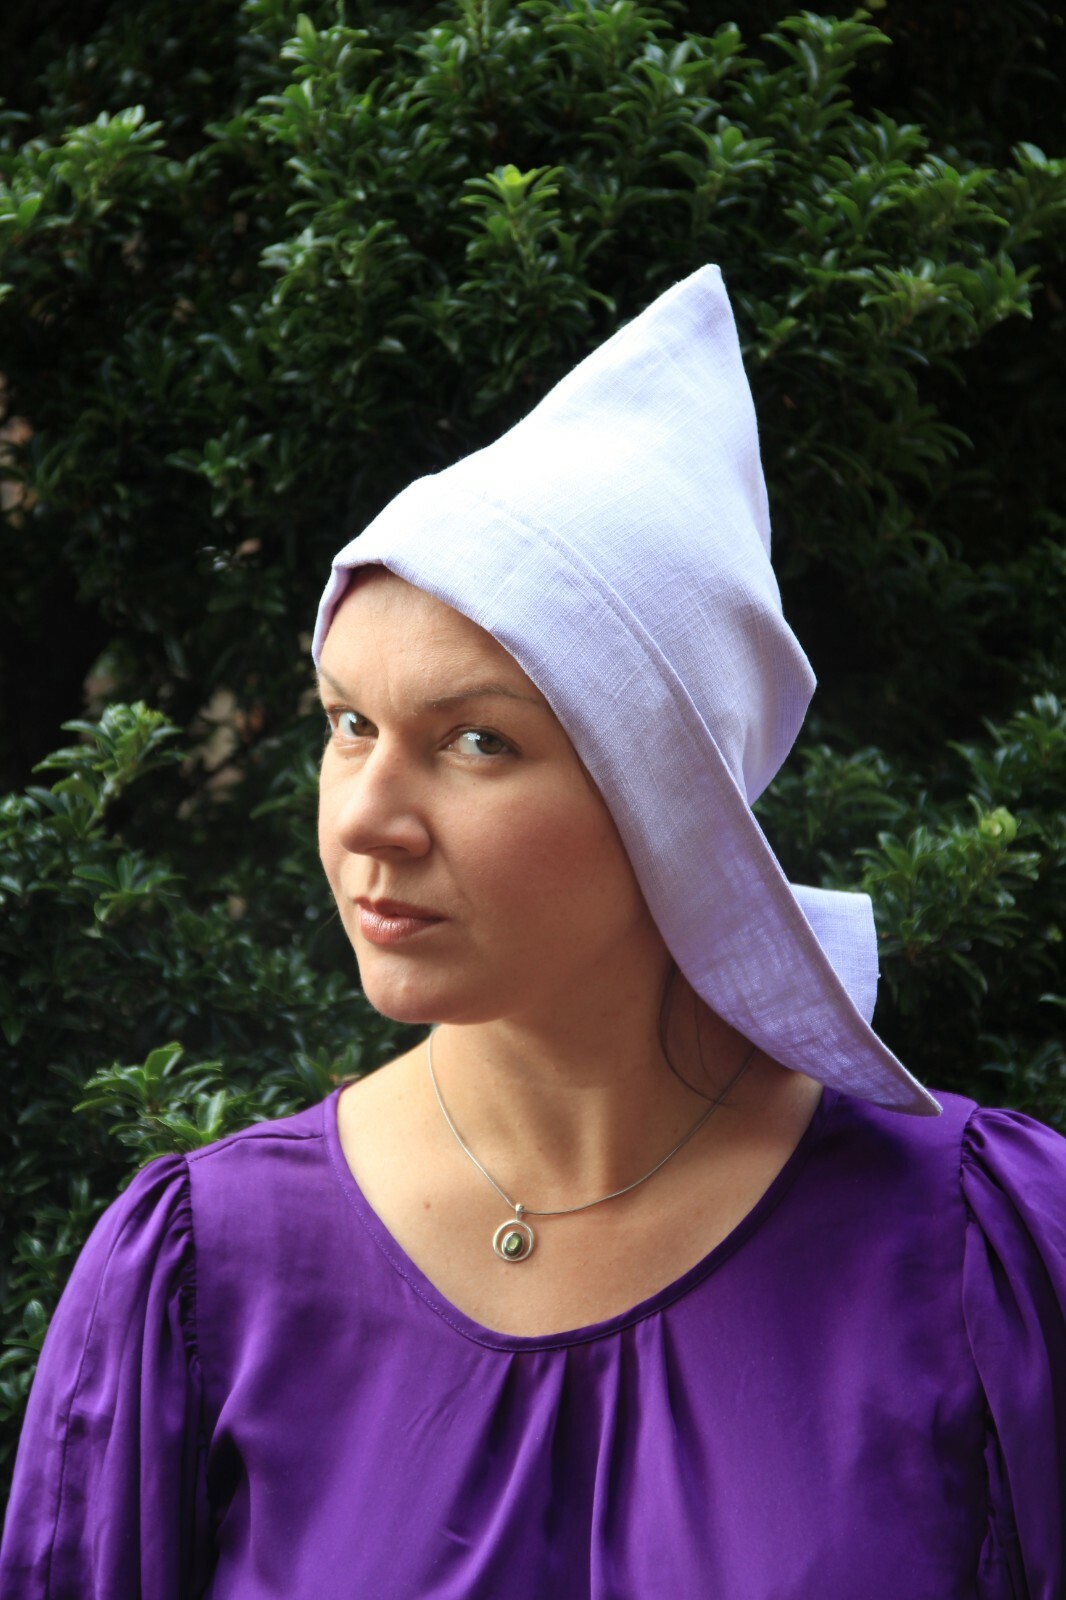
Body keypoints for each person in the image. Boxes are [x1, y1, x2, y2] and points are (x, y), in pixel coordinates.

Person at [2, 266, 1065, 1599]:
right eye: (349, 724)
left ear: (667, 802)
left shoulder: (978, 1251)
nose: (367, 817)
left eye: (476, 742)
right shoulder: (206, 1276)